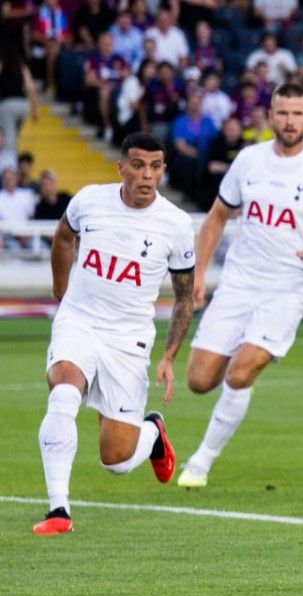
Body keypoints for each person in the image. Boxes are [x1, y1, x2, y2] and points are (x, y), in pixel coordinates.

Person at [176, 83, 303, 489]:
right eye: (282, 112)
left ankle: (200, 463)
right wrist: (199, 274)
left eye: (297, 114)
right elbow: (218, 217)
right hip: (240, 281)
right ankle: (241, 370)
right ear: (270, 115)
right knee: (200, 381)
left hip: (290, 285)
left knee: (239, 374)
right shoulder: (249, 161)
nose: (289, 121)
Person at [32, 132, 195, 535]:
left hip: (128, 341)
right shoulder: (90, 200)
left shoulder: (175, 225)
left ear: (163, 171)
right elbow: (64, 237)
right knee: (64, 392)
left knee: (117, 461)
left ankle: (152, 432)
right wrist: (60, 290)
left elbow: (185, 298)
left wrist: (170, 357)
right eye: (138, 165)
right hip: (80, 321)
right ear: (121, 166)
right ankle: (59, 510)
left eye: (155, 167)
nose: (146, 175)